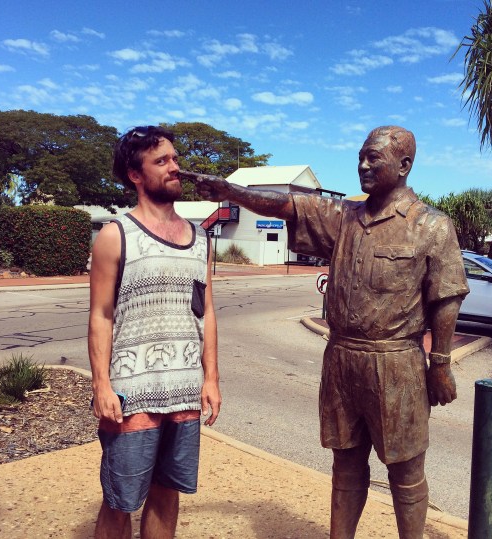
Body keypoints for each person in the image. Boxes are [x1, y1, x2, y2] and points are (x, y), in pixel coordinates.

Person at [181, 126, 469, 539]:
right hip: (342, 359)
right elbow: (289, 205)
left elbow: (446, 298)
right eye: (360, 157)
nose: (363, 165)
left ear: (405, 165)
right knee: (346, 463)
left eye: (374, 158)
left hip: (397, 363)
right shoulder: (345, 218)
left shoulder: (431, 226)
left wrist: (440, 362)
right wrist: (231, 191)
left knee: (406, 469)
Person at [88, 125, 221, 539]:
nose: (175, 167)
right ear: (135, 175)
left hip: (184, 391)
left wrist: (211, 378)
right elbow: (100, 316)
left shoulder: (200, 239)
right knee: (120, 501)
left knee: (167, 494)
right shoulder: (115, 236)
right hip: (131, 396)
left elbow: (207, 311)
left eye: (175, 159)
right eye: (161, 161)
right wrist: (101, 386)